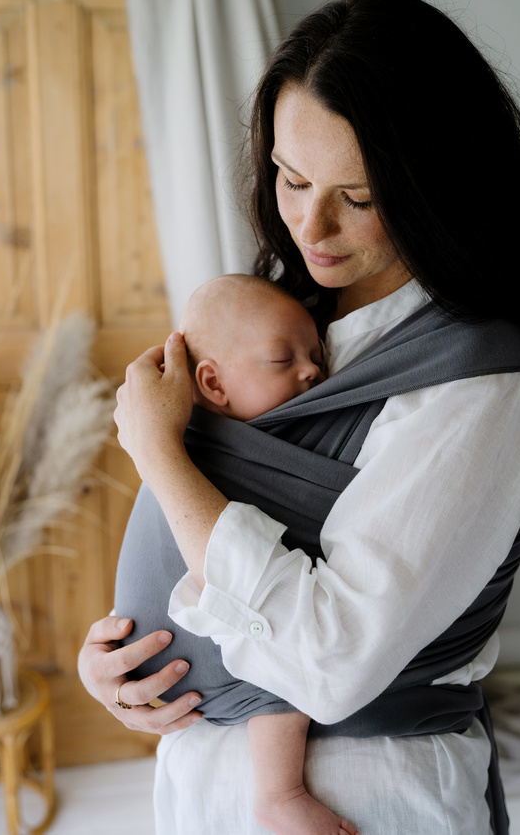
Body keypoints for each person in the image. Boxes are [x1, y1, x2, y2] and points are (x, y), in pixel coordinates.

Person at [79, 0, 520, 835]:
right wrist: (122, 666)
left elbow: (330, 660)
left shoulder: (482, 381)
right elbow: (189, 534)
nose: (311, 225)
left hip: (369, 800)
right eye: (291, 177)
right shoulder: (282, 314)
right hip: (200, 787)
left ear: (437, 187)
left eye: (361, 197)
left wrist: (157, 453)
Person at [114, 272, 360, 835]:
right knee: (279, 663)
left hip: (146, 657)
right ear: (212, 385)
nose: (312, 370)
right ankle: (281, 792)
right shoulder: (203, 446)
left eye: (315, 355)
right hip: (175, 658)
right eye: (282, 359)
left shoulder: (181, 446)